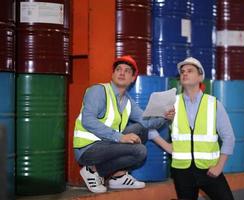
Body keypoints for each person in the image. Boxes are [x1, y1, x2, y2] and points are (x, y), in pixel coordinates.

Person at [73, 55, 175, 193]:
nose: (122, 72)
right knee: (140, 151)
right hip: (87, 148)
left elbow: (147, 122)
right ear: (113, 74)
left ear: (133, 78)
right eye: (118, 69)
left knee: (142, 129)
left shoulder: (127, 101)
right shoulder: (98, 91)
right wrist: (120, 137)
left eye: (127, 71)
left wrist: (164, 116)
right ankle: (91, 170)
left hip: (107, 144)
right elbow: (88, 120)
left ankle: (118, 177)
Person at [158, 57, 236, 200]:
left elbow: (229, 137)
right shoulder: (171, 104)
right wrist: (162, 122)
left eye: (190, 71)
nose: (185, 74)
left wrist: (219, 166)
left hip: (209, 170)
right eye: (182, 72)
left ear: (200, 77)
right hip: (182, 172)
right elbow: (150, 126)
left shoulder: (214, 104)